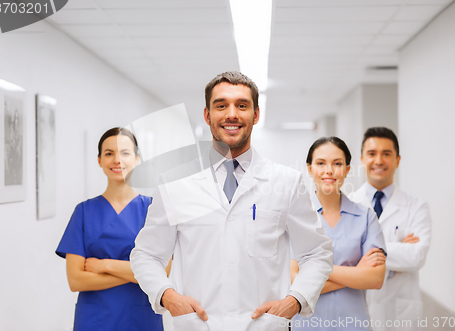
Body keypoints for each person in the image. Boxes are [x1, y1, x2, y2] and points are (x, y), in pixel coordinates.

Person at [130, 71, 333, 331]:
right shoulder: (175, 183)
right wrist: (168, 296)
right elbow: (146, 254)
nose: (232, 114)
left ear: (256, 115)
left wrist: (294, 301)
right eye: (221, 105)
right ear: (207, 115)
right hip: (197, 325)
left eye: (242, 105)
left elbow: (316, 253)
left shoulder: (286, 182)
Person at [56, 127, 166, 331]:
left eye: (125, 153)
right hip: (94, 320)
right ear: (99, 160)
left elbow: (163, 273)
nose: (117, 160)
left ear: (137, 159)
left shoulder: (154, 210)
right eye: (109, 153)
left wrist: (105, 265)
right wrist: (138, 274)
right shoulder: (83, 212)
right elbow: (76, 280)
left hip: (141, 316)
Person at [291, 137, 387, 331]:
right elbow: (294, 280)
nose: (329, 170)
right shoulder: (295, 217)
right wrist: (357, 273)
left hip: (354, 324)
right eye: (320, 163)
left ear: (347, 170)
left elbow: (375, 278)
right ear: (309, 169)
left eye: (337, 163)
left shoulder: (366, 217)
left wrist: (313, 271)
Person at [348, 127, 432, 331]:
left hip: (400, 314)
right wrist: (397, 248)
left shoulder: (416, 206)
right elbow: (340, 256)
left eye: (386, 154)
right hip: (356, 309)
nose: (378, 161)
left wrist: (365, 250)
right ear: (362, 159)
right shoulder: (347, 205)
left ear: (397, 160)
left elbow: (416, 256)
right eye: (372, 154)